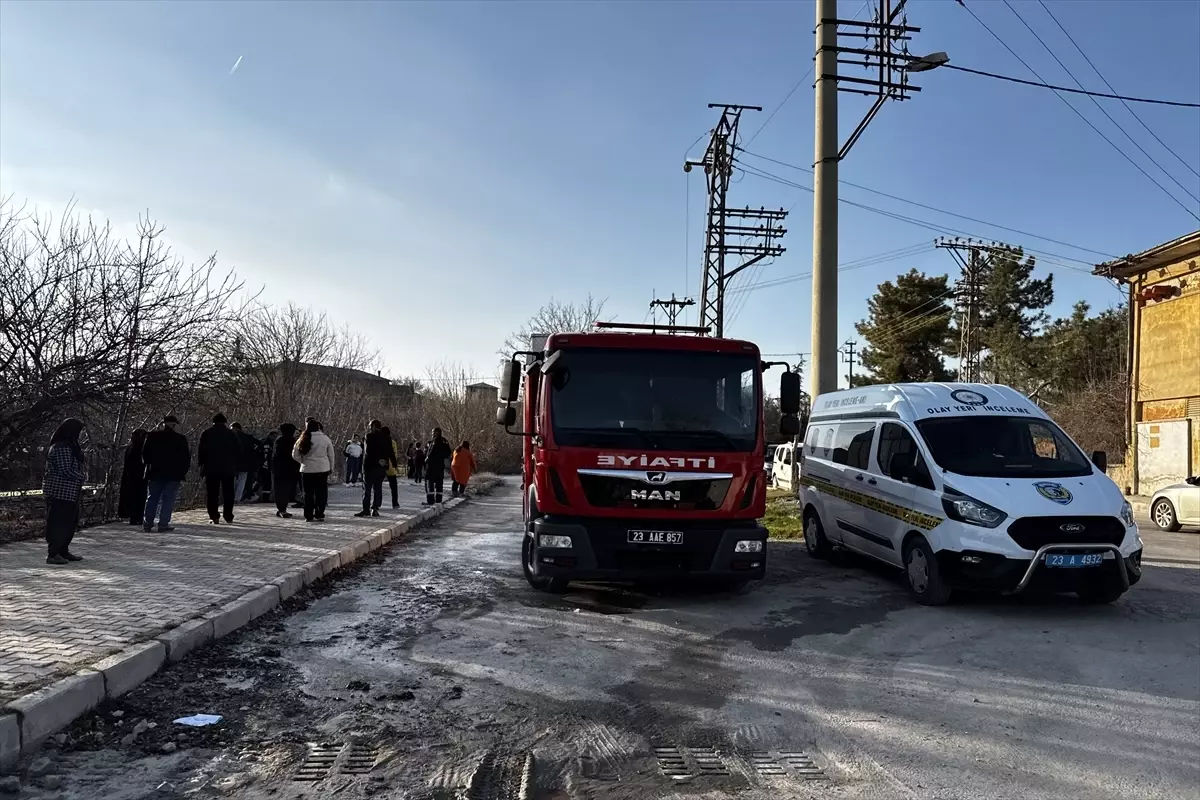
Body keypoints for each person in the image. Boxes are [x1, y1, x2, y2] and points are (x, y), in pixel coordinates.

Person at [42, 418, 87, 565]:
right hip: (59, 491)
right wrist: (82, 477)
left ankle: (63, 551)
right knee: (58, 523)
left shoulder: (71, 447)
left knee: (69, 522)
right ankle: (53, 553)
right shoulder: (61, 447)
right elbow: (65, 470)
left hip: (70, 492)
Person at [141, 414, 190, 532]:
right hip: (173, 475)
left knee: (152, 498)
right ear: (173, 425)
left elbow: (144, 455)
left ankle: (148, 523)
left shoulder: (152, 436)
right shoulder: (180, 439)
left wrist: (149, 466)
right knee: (168, 500)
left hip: (155, 473)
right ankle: (163, 524)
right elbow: (186, 458)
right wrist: (182, 472)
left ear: (163, 424)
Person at [198, 413, 240, 524]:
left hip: (211, 468)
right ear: (225, 422)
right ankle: (228, 516)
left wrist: (202, 465)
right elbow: (238, 450)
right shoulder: (231, 434)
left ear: (213, 422)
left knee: (212, 493)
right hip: (228, 468)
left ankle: (214, 516)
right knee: (228, 493)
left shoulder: (206, 433)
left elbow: (201, 451)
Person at [293, 418, 334, 522]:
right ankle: (320, 513)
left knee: (308, 493)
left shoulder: (303, 438)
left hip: (307, 469)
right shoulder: (325, 438)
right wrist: (331, 467)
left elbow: (295, 454)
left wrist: (302, 461)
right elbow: (331, 454)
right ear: (318, 427)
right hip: (322, 468)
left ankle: (308, 515)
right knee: (321, 492)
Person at [357, 419, 396, 518]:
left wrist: (377, 460)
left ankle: (366, 510)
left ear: (373, 426)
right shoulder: (386, 438)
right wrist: (393, 463)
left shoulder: (369, 437)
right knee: (378, 488)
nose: (369, 427)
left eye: (370, 425)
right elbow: (390, 452)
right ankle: (375, 508)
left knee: (367, 489)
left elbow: (368, 452)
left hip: (370, 466)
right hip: (381, 467)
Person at [117, 428, 149, 526]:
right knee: (139, 497)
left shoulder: (130, 448)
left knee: (132, 496)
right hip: (139, 476)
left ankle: (133, 516)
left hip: (130, 476)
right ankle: (137, 517)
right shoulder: (141, 448)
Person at [272, 423, 300, 518]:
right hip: (290, 470)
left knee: (279, 490)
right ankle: (283, 509)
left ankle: (281, 509)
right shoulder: (293, 442)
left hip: (279, 470)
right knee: (286, 490)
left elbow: (275, 456)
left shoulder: (279, 441)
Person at [423, 427, 452, 506]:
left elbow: (429, 453)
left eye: (433, 433)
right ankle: (439, 501)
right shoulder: (444, 441)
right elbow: (448, 452)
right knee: (439, 484)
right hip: (440, 466)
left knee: (429, 483)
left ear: (437, 433)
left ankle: (430, 501)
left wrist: (426, 459)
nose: (432, 434)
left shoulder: (432, 442)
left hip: (431, 466)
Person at [230, 422, 258, 503]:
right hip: (246, 462)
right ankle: (237, 498)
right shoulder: (248, 437)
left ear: (235, 428)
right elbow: (259, 443)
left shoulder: (231, 437)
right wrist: (254, 451)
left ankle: (232, 497)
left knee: (233, 480)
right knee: (242, 480)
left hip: (234, 462)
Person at [383, 426, 401, 509]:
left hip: (381, 466)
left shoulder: (379, 442)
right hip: (391, 467)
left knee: (377, 486)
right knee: (394, 487)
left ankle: (376, 504)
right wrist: (395, 465)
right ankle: (395, 503)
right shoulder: (393, 442)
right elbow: (394, 454)